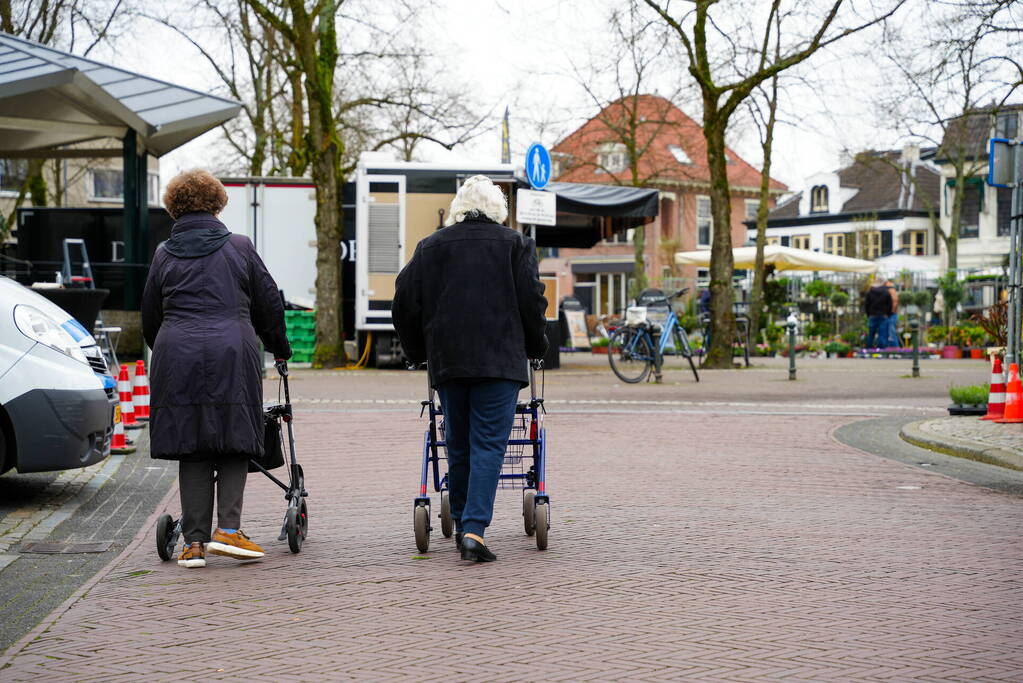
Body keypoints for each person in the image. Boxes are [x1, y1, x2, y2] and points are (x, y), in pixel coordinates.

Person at [392, 175, 548, 563]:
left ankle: (463, 521)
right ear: (499, 211)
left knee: (457, 444)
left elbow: (403, 302)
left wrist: (417, 351)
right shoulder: (516, 245)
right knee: (489, 445)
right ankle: (474, 531)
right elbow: (533, 301)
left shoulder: (430, 247)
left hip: (449, 361)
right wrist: (537, 346)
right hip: (500, 362)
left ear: (459, 207)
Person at [142, 170, 291, 569]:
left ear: (174, 206)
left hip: (177, 353)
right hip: (232, 351)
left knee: (190, 444)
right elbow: (268, 305)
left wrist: (172, 351)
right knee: (234, 437)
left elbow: (150, 316)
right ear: (217, 203)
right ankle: (228, 530)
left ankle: (193, 544)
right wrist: (280, 348)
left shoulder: (163, 253)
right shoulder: (239, 247)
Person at [864, 276, 893, 349]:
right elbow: (890, 304)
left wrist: (868, 314)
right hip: (883, 315)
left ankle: (869, 350)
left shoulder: (870, 291)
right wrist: (888, 314)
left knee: (871, 334)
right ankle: (881, 350)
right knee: (882, 334)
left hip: (872, 315)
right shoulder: (886, 292)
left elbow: (867, 304)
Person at [885, 279, 900, 347]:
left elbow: (895, 303)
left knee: (891, 332)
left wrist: (889, 312)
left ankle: (895, 349)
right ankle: (892, 348)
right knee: (890, 332)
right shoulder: (890, 291)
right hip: (891, 314)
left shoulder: (891, 291)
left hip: (891, 314)